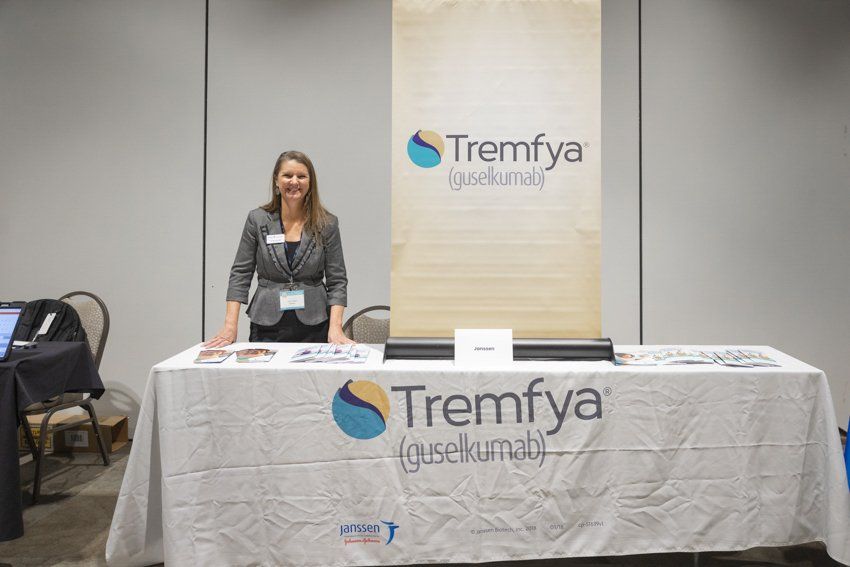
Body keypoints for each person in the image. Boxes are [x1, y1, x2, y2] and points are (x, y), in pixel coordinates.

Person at [206, 151, 353, 346]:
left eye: (301, 176)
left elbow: (337, 280)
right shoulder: (257, 220)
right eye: (287, 175)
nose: (294, 181)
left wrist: (335, 327)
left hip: (315, 324)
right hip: (266, 322)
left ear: (310, 182)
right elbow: (240, 274)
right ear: (276, 180)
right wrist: (230, 326)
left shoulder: (327, 224)